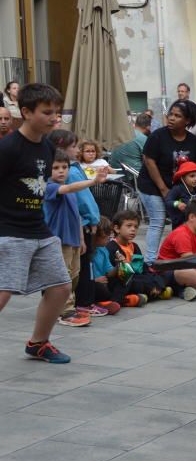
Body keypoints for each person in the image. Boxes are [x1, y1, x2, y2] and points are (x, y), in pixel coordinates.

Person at [0, 84, 73, 362]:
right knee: (3, 292)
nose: (54, 118)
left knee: (60, 287)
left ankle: (38, 343)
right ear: (26, 112)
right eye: (47, 112)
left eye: (56, 112)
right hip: (10, 231)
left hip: (39, 229)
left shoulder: (46, 146)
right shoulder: (7, 148)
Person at [48, 129, 106, 321]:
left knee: (74, 274)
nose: (62, 171)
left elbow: (76, 215)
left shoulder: (73, 174)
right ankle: (65, 310)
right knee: (63, 275)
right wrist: (93, 181)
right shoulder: (51, 187)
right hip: (59, 238)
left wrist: (81, 238)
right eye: (56, 168)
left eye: (64, 167)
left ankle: (66, 304)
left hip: (74, 237)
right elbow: (70, 188)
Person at [138, 99, 196, 259]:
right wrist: (163, 189)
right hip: (151, 185)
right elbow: (149, 160)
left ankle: (178, 257)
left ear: (187, 121)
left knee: (182, 222)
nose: (171, 118)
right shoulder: (158, 136)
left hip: (178, 189)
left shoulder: (193, 142)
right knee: (158, 220)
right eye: (170, 114)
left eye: (177, 116)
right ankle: (151, 262)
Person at [106, 209, 168, 304]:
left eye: (136, 226)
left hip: (137, 276)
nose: (133, 229)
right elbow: (119, 275)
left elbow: (142, 268)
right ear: (117, 228)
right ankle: (139, 296)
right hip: (124, 279)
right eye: (129, 226)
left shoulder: (134, 246)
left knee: (161, 275)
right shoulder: (112, 247)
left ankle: (152, 291)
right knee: (133, 282)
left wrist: (155, 280)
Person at [90, 217, 122, 313]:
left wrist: (119, 265)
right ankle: (114, 301)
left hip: (104, 284)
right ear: (95, 236)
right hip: (92, 286)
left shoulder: (103, 250)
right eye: (106, 235)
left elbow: (109, 273)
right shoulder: (85, 253)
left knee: (122, 280)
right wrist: (94, 281)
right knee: (97, 288)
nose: (109, 238)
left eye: (110, 234)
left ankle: (113, 301)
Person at [165, 161, 196, 230]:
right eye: (192, 176)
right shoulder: (177, 189)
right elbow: (168, 201)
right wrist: (177, 204)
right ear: (183, 178)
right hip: (180, 224)